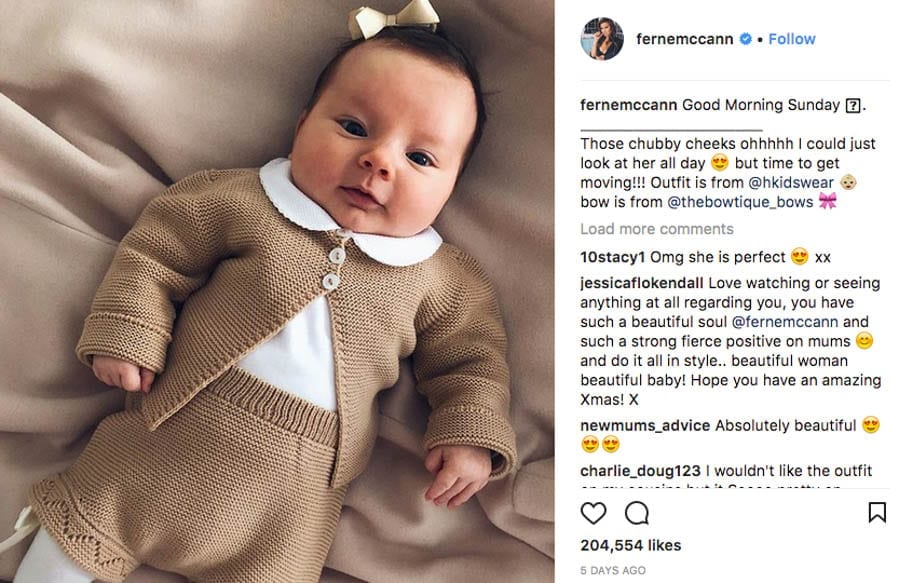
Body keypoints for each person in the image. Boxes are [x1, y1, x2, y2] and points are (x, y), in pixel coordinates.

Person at [6, 2, 517, 581]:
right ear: (302, 125)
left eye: (420, 157)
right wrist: (130, 329)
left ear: (452, 186)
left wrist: (470, 432)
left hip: (284, 517)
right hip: (154, 447)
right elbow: (157, 254)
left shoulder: (439, 278)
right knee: (70, 542)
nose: (378, 161)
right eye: (354, 128)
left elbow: (472, 361)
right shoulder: (244, 202)